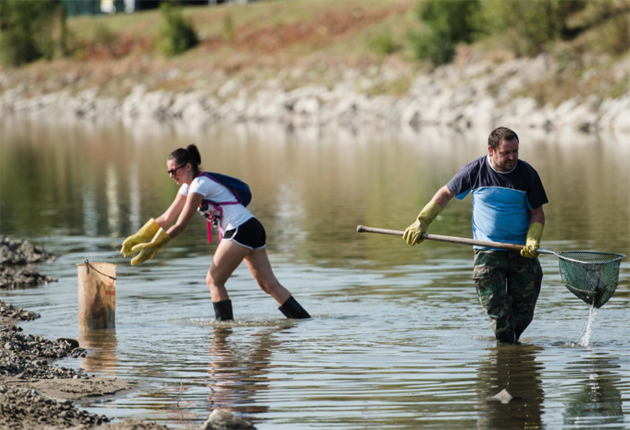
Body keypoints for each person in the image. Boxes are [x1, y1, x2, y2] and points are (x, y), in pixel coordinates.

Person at [120, 144, 310, 321]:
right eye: (168, 171)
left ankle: (223, 333)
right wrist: (138, 237)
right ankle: (303, 321)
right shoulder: (188, 187)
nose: (170, 175)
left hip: (240, 229)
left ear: (187, 167)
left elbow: (181, 224)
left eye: (173, 170)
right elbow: (166, 218)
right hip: (252, 228)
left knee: (213, 281)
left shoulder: (199, 184)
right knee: (269, 285)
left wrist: (154, 247)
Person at [403, 127, 548, 344]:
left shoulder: (527, 174)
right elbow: (445, 194)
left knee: (523, 315)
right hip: (487, 252)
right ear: (491, 150)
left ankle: (512, 356)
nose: (512, 157)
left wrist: (533, 239)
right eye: (506, 153)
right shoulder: (475, 170)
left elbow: (537, 212)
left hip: (522, 252)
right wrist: (421, 222)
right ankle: (508, 357)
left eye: (515, 151)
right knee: (500, 316)